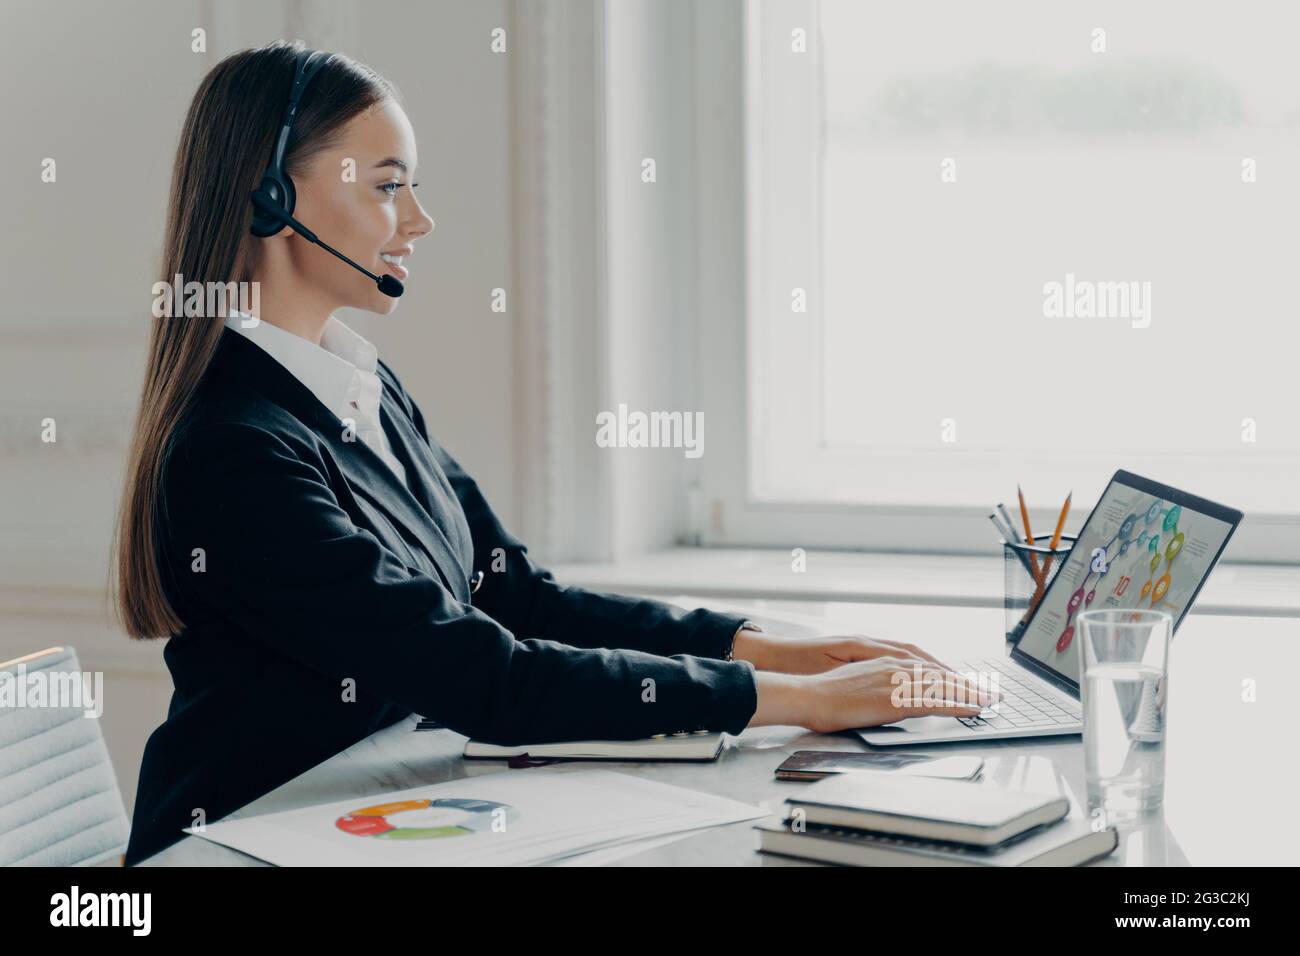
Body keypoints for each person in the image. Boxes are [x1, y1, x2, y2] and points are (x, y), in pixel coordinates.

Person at [113, 41, 988, 865]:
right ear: (272, 200)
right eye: (387, 187)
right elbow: (483, 676)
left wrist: (776, 649)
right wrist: (796, 705)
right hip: (243, 838)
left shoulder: (359, 388)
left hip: (361, 814)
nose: (418, 219)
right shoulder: (231, 449)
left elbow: (516, 597)